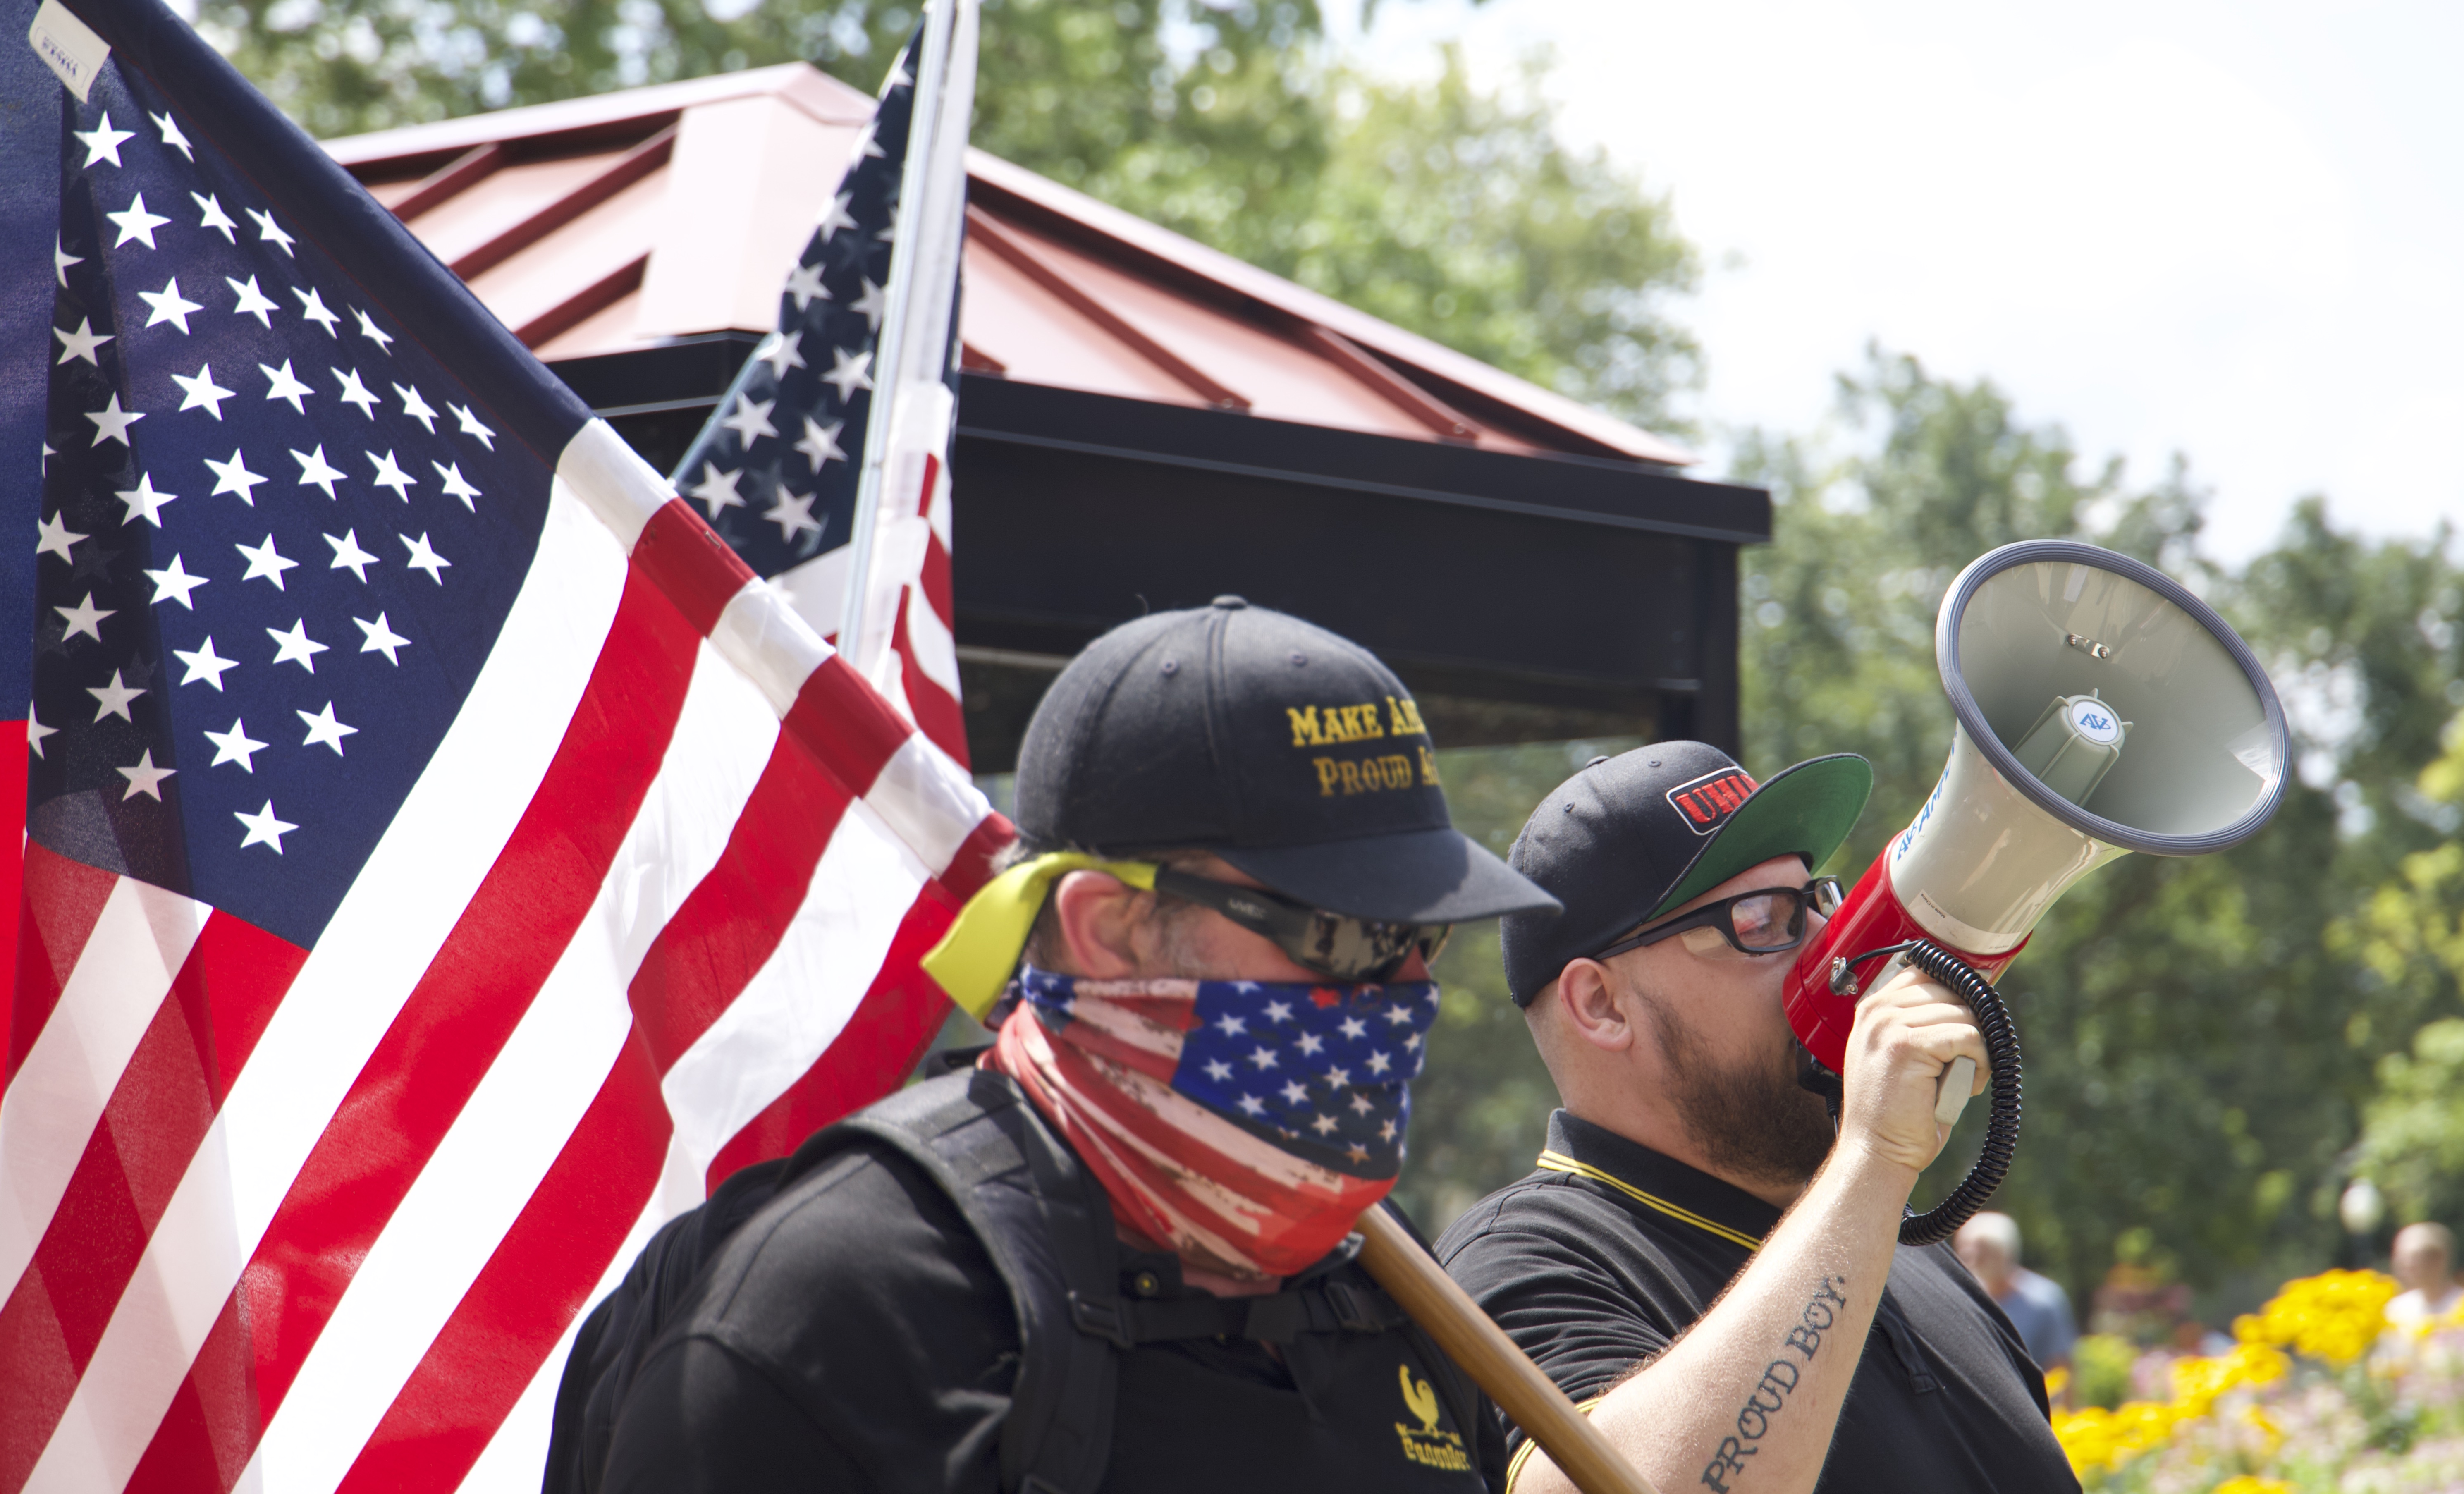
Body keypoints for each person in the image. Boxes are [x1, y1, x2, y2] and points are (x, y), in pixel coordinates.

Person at [550, 598, 1564, 1493]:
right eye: (1351, 935)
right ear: (1107, 928)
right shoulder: (841, 1309)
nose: (1409, 987)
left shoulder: (1396, 1296)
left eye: (1423, 937)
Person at [1436, 742, 2078, 1494]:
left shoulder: (1894, 1239)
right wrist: (1871, 1164)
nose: (1832, 949)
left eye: (1817, 903)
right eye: (1762, 919)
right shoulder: (1524, 1257)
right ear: (1602, 1005)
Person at [1954, 1212, 2077, 1386]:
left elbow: (2060, 1369)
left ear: (2006, 1253)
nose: (1970, 1257)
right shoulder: (1957, 1298)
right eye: (1963, 1248)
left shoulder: (2044, 1301)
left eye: (1982, 1251)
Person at [2385, 1221, 2464, 1328]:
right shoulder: (2396, 1311)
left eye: (2413, 1257)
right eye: (2400, 1256)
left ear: (2439, 1259)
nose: (2405, 1264)